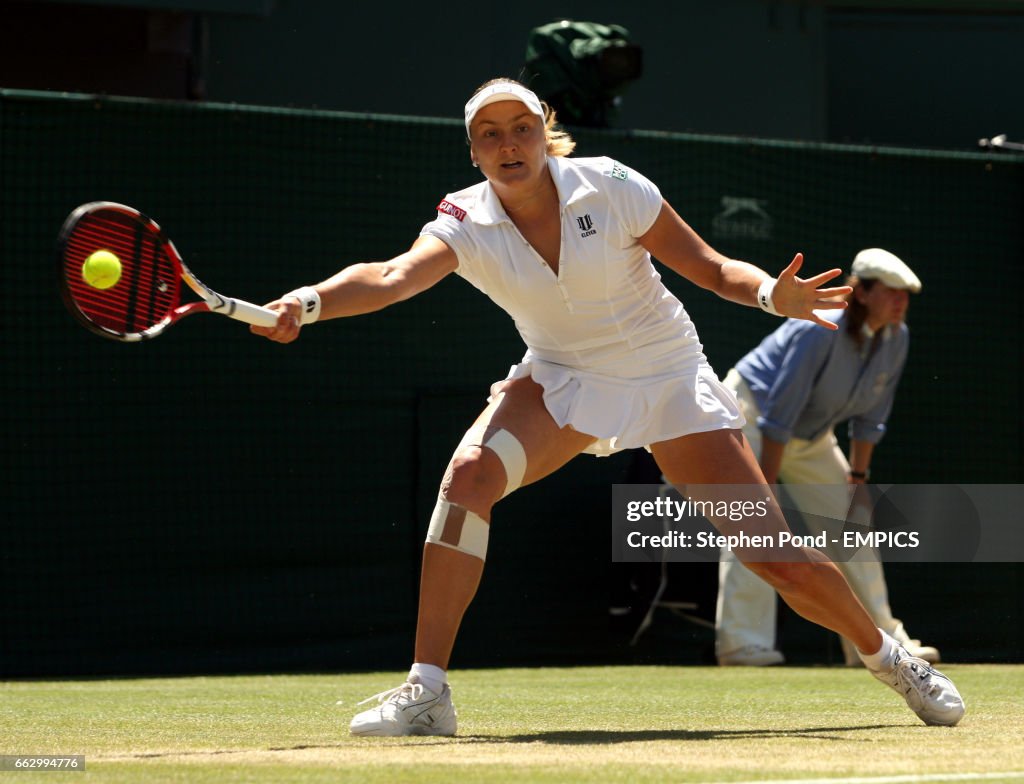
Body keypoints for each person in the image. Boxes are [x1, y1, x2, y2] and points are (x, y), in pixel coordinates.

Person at [252, 79, 964, 735]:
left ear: (545, 132)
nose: (509, 145)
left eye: (522, 128)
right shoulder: (462, 220)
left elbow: (713, 268)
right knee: (468, 478)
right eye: (491, 135)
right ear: (473, 152)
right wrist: (308, 304)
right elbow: (391, 276)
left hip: (669, 379)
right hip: (564, 382)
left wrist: (772, 295)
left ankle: (892, 661)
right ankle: (427, 690)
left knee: (777, 557)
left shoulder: (613, 185)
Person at [715, 249, 940, 668]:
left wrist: (858, 475)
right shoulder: (821, 328)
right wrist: (764, 482)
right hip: (751, 414)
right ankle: (742, 644)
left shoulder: (897, 337)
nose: (901, 302)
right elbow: (780, 410)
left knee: (853, 524)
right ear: (864, 293)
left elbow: (873, 417)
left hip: (810, 434)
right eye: (892, 293)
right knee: (755, 524)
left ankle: (880, 641)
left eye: (906, 295)